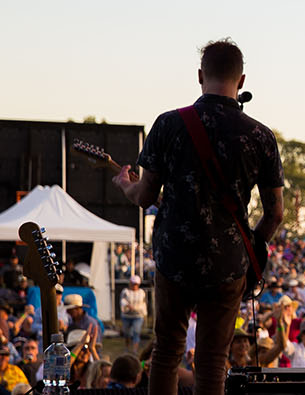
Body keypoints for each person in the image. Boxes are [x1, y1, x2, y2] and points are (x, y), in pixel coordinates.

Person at [113, 38, 285, 395]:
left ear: (199, 75)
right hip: (228, 265)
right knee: (212, 360)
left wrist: (123, 184)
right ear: (241, 81)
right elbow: (275, 214)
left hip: (174, 258)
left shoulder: (167, 125)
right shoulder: (260, 136)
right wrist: (250, 246)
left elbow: (145, 196)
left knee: (166, 353)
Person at [121, 275, 148, 352]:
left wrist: (144, 314)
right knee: (127, 334)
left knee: (136, 332)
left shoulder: (141, 293)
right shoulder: (125, 292)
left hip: (138, 316)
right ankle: (127, 347)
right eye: (133, 283)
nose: (134, 285)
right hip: (126, 316)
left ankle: (135, 350)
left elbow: (144, 304)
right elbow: (122, 301)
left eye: (136, 284)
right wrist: (127, 305)